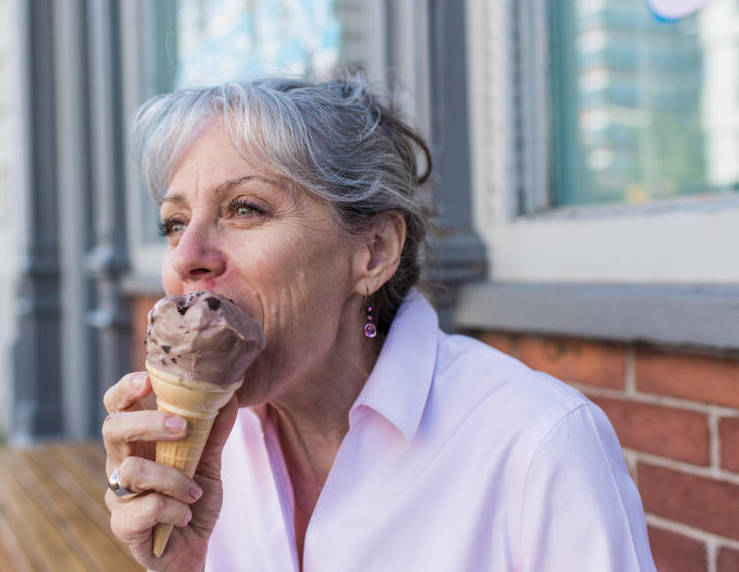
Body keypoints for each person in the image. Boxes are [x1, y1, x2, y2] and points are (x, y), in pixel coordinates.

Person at [101, 76, 658, 572]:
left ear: (373, 251)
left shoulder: (539, 444)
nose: (186, 255)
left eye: (245, 208)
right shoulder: (206, 456)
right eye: (173, 223)